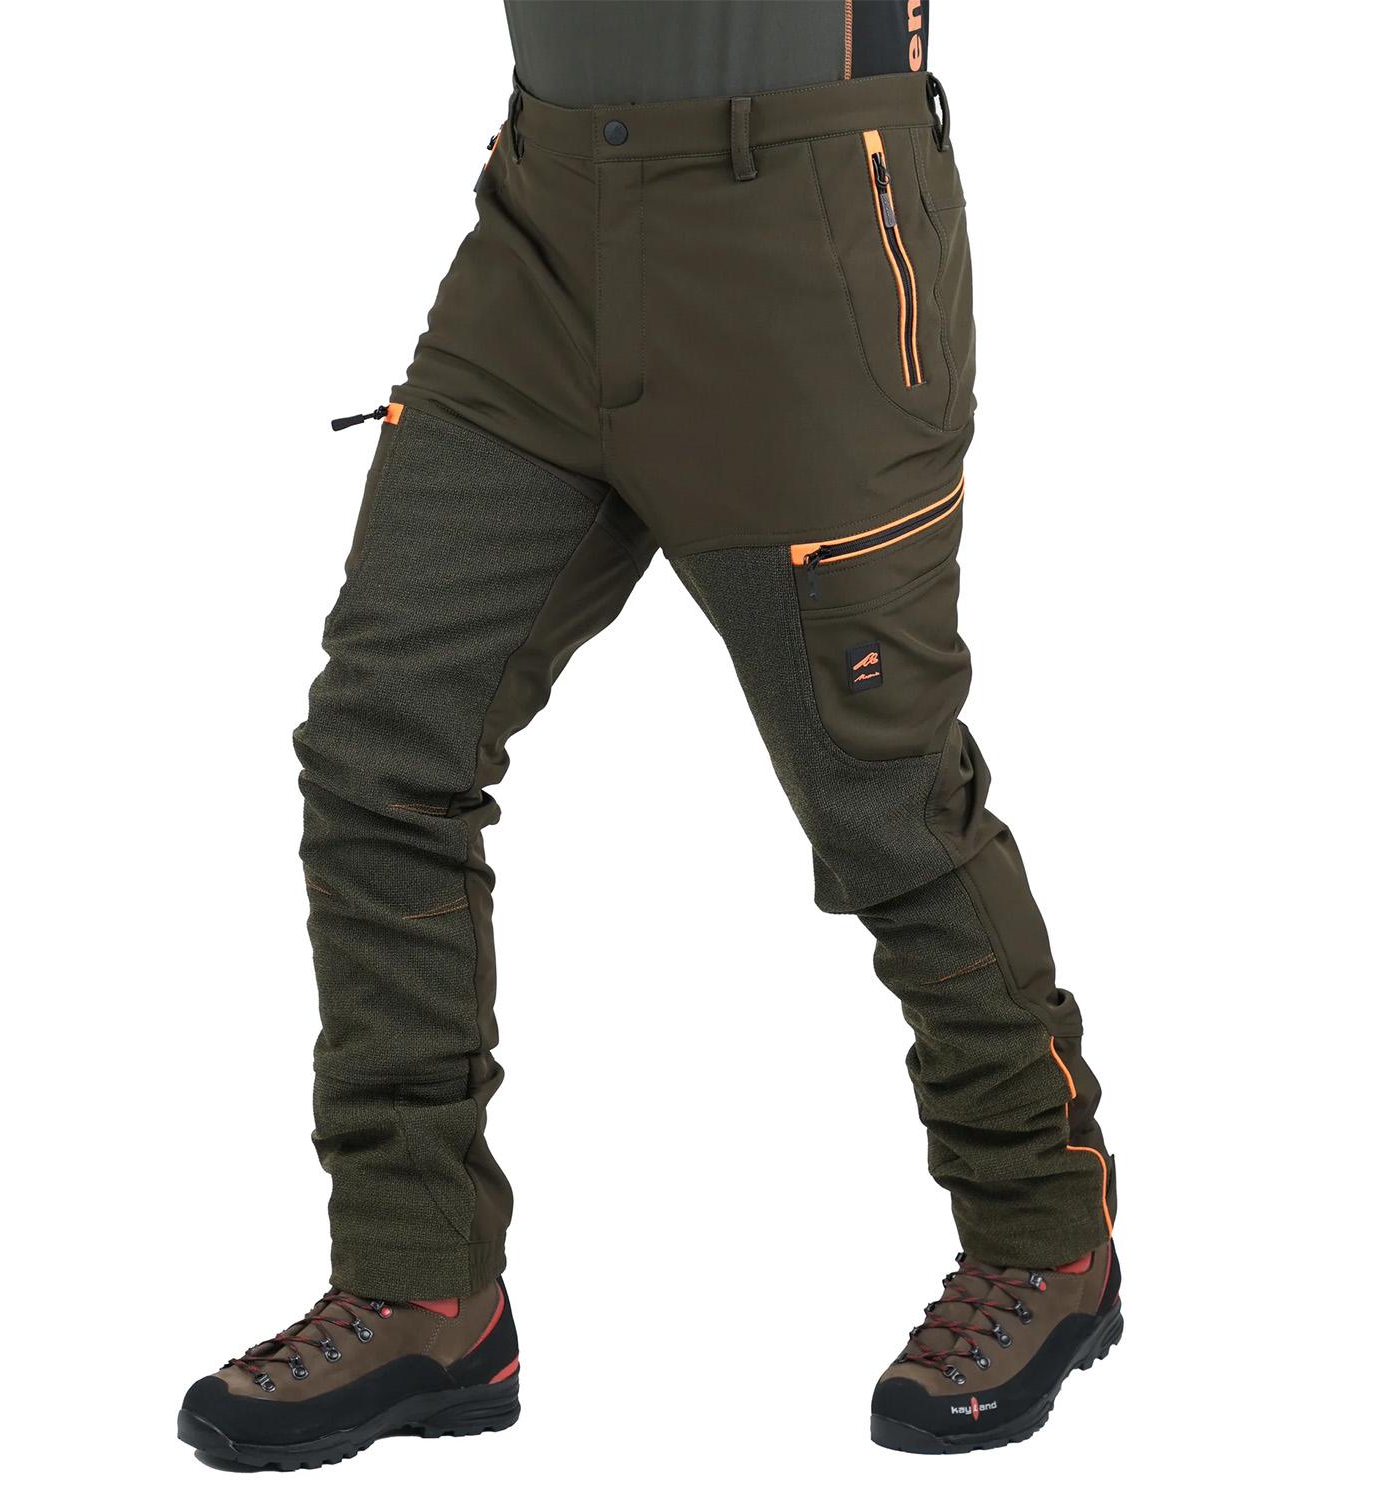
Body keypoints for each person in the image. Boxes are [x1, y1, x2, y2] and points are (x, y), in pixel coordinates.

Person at [177, 0, 1120, 1467]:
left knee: (878, 792)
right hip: (548, 230)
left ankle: (1047, 1241)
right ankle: (422, 1283)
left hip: (802, 239)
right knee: (381, 746)